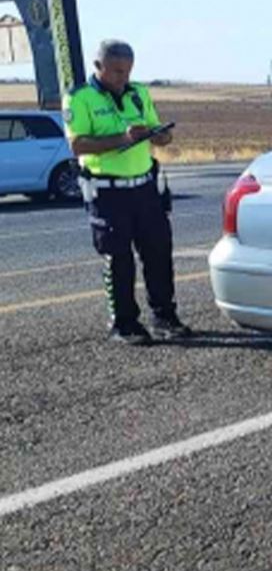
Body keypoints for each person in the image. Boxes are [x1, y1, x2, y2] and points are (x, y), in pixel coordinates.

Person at [62, 40, 189, 344]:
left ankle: (164, 317)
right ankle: (124, 324)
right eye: (117, 71)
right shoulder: (79, 97)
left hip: (145, 188)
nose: (124, 77)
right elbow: (77, 145)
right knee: (119, 259)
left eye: (128, 71)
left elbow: (158, 132)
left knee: (158, 253)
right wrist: (123, 138)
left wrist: (159, 135)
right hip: (108, 192)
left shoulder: (138, 93)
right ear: (99, 66)